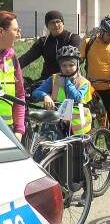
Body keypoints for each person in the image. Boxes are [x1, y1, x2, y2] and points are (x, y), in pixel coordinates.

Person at [81, 16, 110, 152]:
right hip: (91, 87)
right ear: (101, 32)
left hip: (108, 86)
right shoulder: (88, 43)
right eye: (108, 35)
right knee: (83, 115)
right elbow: (79, 60)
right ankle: (85, 146)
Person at [32, 46, 92, 135]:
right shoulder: (54, 78)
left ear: (77, 65)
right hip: (58, 119)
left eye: (71, 65)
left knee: (78, 147)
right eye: (64, 65)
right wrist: (45, 96)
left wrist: (66, 80)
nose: (67, 69)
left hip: (78, 122)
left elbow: (76, 96)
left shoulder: (84, 82)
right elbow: (36, 92)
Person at [19, 10, 81, 81]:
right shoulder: (43, 42)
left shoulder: (72, 38)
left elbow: (74, 60)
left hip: (70, 79)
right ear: (47, 26)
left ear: (63, 23)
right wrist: (11, 68)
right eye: (52, 23)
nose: (56, 25)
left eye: (58, 22)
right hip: (47, 79)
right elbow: (27, 58)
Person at [0, 10, 25, 141]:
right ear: (1, 31)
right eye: (15, 30)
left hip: (8, 133)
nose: (18, 35)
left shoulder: (12, 58)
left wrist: (19, 130)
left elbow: (19, 95)